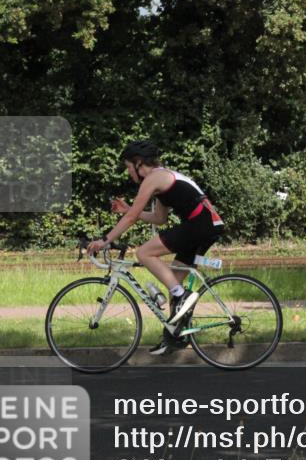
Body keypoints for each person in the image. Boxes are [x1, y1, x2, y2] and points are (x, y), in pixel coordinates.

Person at [86, 140, 224, 355]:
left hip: (200, 224)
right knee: (173, 280)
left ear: (139, 163)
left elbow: (132, 218)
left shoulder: (153, 179)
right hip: (205, 225)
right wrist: (128, 210)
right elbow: (159, 218)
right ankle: (176, 337)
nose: (128, 173)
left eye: (128, 168)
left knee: (144, 252)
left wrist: (105, 239)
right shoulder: (162, 179)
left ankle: (182, 296)